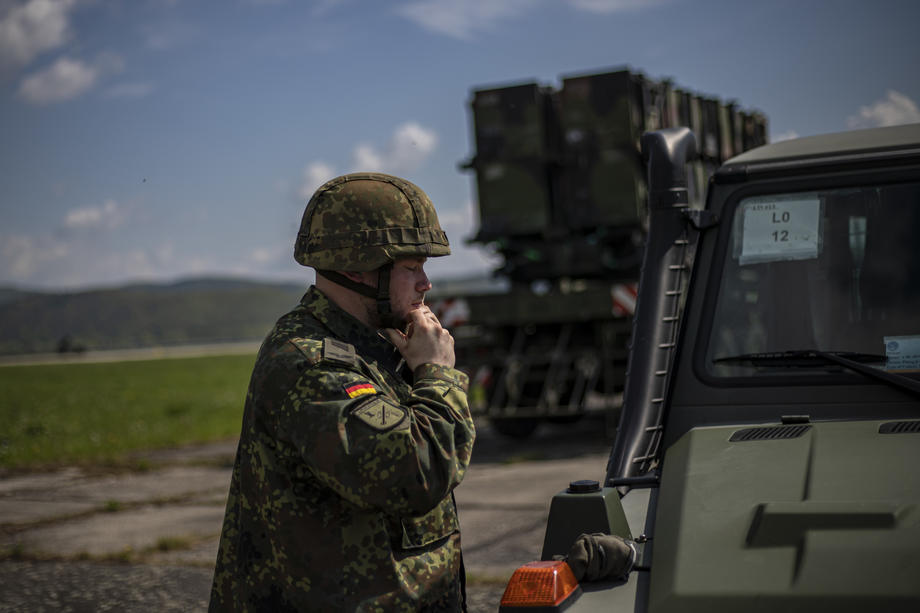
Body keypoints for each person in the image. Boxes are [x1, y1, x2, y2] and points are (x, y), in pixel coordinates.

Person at [209, 172, 476, 612]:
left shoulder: (371, 344)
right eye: (411, 267)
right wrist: (436, 374)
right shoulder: (311, 362)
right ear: (357, 266)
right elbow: (416, 471)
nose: (425, 284)